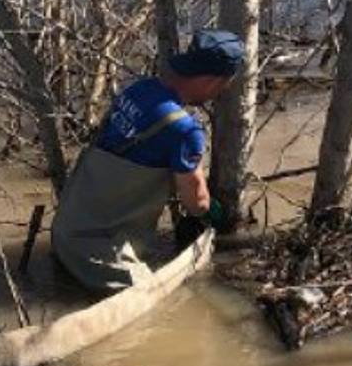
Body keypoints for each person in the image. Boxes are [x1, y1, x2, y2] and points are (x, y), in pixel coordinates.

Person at [51, 29, 245, 293]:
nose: (220, 92)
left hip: (64, 236)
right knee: (160, 300)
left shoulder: (138, 89)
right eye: (223, 85)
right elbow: (196, 202)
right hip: (98, 259)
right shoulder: (185, 130)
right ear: (212, 81)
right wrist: (214, 214)